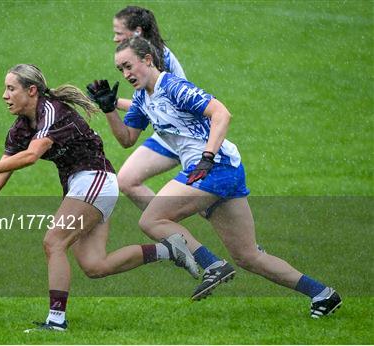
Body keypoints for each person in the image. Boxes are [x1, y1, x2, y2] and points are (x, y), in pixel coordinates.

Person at [88, 37, 342, 318]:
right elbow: (126, 139)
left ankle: (212, 265)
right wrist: (109, 109)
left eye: (128, 66)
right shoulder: (141, 99)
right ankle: (322, 294)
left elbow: (221, 113)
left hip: (214, 166)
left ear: (147, 60)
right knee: (248, 256)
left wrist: (207, 157)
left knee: (152, 220)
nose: (125, 74)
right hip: (221, 170)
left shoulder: (173, 87)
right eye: (120, 70)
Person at [0, 64, 200, 332]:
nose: (4, 95)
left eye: (10, 88)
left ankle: (56, 322)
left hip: (94, 180)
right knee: (96, 266)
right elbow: (3, 174)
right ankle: (170, 250)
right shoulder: (20, 128)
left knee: (54, 242)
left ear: (31, 90)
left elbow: (30, 156)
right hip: (87, 186)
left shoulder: (51, 112)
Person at [111, 6, 185, 210]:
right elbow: (145, 107)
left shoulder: (156, 62)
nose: (115, 38)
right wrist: (110, 104)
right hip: (167, 134)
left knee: (207, 205)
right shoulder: (141, 57)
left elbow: (149, 107)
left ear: (137, 32)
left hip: (186, 136)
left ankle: (170, 228)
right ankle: (173, 233)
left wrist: (113, 104)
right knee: (126, 181)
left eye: (118, 33)